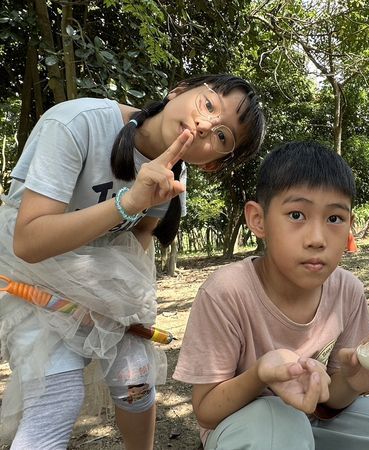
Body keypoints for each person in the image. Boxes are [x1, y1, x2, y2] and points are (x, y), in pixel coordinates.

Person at [0, 74, 265, 449]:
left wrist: (108, 303)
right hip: (29, 282)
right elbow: (27, 240)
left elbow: (136, 242)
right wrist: (127, 201)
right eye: (208, 105)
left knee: (137, 384)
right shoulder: (77, 123)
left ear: (215, 164)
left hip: (102, 289)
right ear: (178, 90)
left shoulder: (175, 170)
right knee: (57, 400)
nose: (206, 125)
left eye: (222, 137)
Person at [173, 141, 369, 450]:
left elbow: (330, 403)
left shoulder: (347, 289)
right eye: (296, 214)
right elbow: (207, 411)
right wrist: (260, 375)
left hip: (313, 422)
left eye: (334, 219)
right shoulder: (226, 291)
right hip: (246, 428)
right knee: (278, 421)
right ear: (258, 219)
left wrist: (353, 383)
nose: (318, 239)